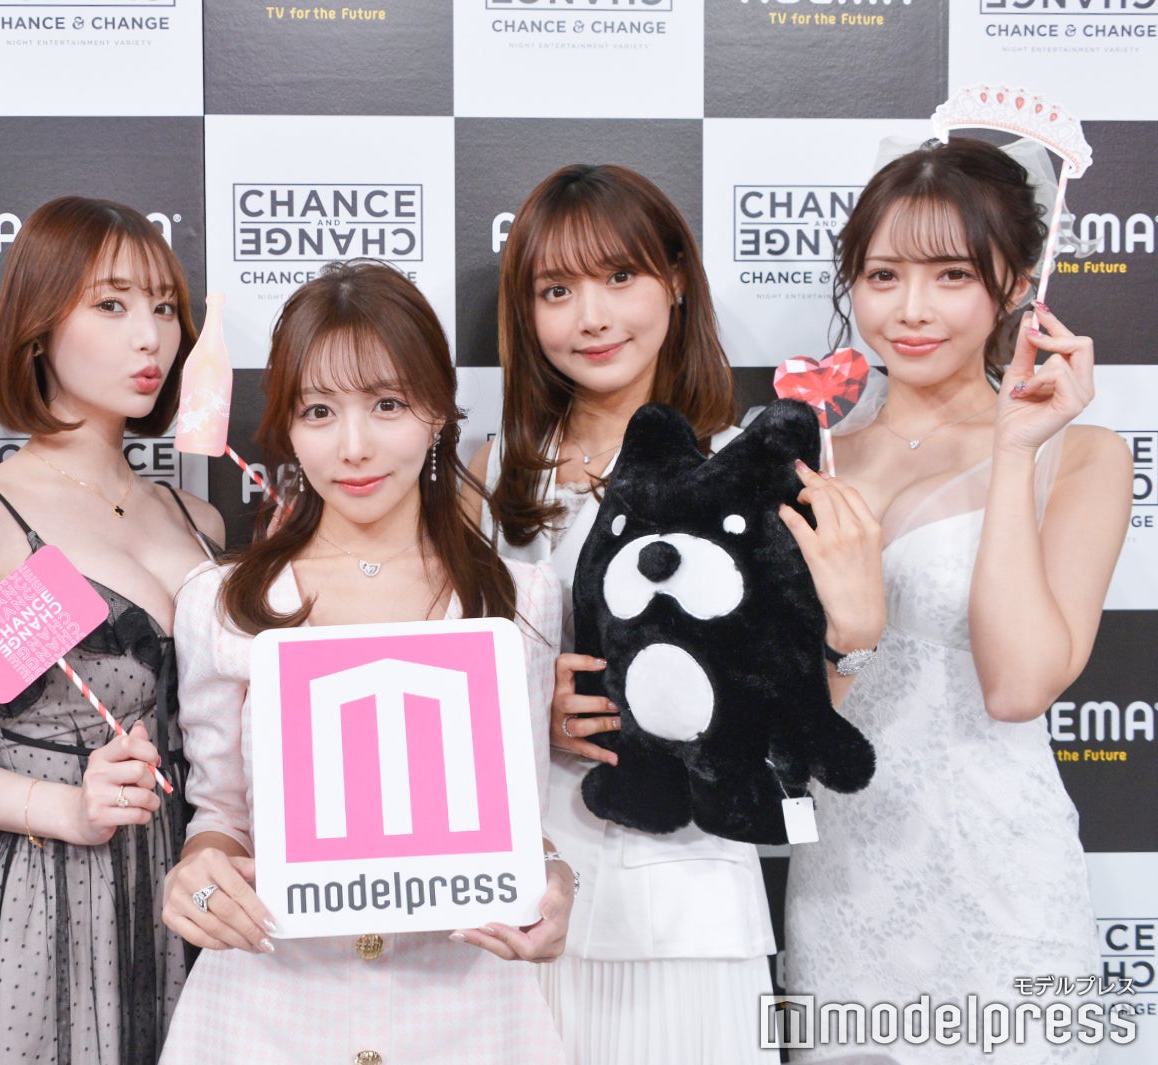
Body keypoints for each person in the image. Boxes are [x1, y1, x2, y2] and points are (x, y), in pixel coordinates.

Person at [158, 260, 572, 1064]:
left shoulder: (519, 595)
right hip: (269, 1018)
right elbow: (219, 818)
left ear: (437, 411)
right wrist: (198, 879)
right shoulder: (221, 601)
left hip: (466, 1019)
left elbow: (525, 820)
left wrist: (556, 884)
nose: (353, 447)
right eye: (319, 410)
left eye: (387, 404)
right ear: (287, 425)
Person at [783, 137, 1131, 1063]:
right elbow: (778, 713)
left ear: (1015, 283)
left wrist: (1014, 449)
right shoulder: (808, 455)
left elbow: (1018, 687)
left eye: (951, 275)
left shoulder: (1083, 456)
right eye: (883, 275)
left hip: (1007, 885)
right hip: (844, 882)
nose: (911, 309)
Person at [0, 196, 223, 1065]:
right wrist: (67, 807)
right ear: (38, 327)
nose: (150, 336)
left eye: (164, 308)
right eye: (111, 304)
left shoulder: (199, 520)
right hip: (57, 901)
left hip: (198, 888)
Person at [467, 163, 786, 1064]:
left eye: (620, 276)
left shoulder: (745, 465)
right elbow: (444, 683)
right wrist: (528, 713)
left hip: (688, 900)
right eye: (557, 290)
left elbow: (793, 691)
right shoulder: (489, 475)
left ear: (676, 280)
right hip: (518, 900)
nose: (592, 316)